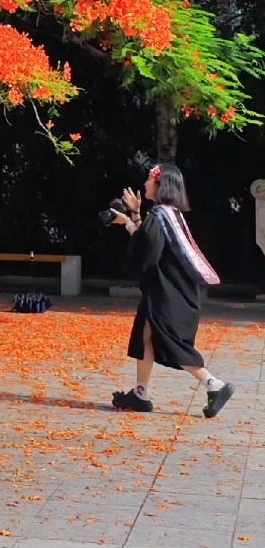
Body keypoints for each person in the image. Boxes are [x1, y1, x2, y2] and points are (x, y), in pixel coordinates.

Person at [111, 162, 234, 419]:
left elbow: (147, 254)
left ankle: (215, 385)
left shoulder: (159, 216)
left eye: (149, 178)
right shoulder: (170, 215)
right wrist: (135, 215)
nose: (145, 183)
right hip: (170, 290)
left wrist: (129, 224)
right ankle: (140, 394)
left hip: (168, 294)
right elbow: (151, 242)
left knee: (168, 341)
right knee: (145, 337)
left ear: (160, 183)